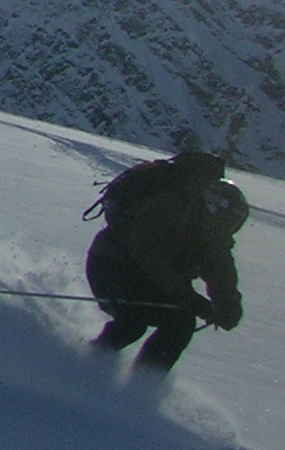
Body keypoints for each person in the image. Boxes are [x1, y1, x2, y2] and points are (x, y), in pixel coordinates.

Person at [84, 150, 246, 371]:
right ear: (213, 208)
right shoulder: (169, 207)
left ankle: (143, 383)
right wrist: (185, 296)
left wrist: (228, 302)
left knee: (181, 323)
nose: (228, 229)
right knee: (132, 323)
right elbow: (148, 254)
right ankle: (84, 366)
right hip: (112, 265)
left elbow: (220, 269)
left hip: (148, 279)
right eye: (228, 221)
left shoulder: (213, 234)